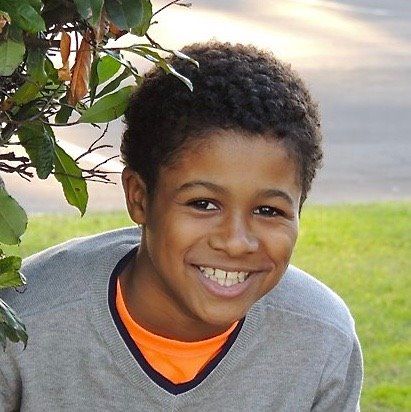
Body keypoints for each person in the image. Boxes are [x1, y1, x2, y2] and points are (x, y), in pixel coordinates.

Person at [0, 42, 363, 411]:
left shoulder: (321, 339)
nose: (236, 243)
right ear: (140, 198)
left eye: (268, 210)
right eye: (203, 204)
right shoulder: (23, 326)